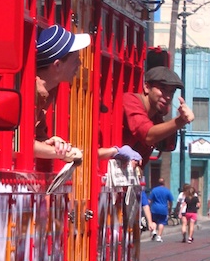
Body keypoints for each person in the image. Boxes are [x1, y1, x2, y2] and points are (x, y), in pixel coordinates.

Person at [33, 24, 140, 166]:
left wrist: (50, 144)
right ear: (57, 65)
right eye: (75, 59)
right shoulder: (31, 92)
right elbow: (19, 143)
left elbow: (32, 140)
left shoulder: (46, 92)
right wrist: (62, 153)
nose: (80, 63)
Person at [122, 54, 194, 166]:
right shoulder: (130, 100)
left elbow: (167, 145)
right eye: (163, 89)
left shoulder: (156, 118)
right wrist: (180, 121)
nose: (168, 96)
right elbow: (148, 135)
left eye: (171, 92)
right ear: (146, 87)